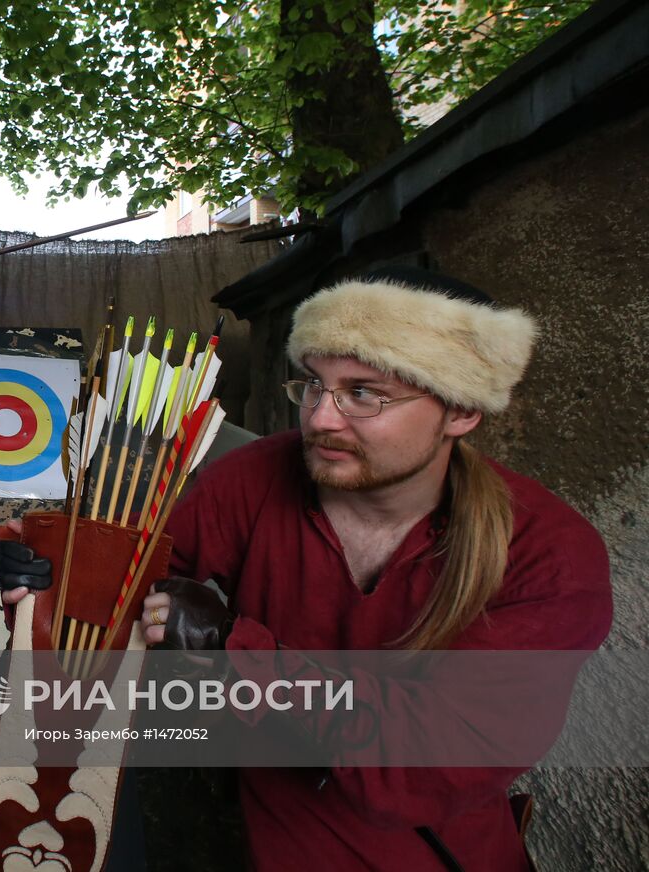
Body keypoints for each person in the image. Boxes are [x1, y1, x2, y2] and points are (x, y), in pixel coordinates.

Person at [141, 268, 613, 870]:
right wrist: (28, 554)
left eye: (365, 393)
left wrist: (237, 652)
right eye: (314, 384)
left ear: (462, 412)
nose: (319, 419)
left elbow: (426, 763)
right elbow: (128, 565)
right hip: (274, 845)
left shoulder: (548, 555)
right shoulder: (256, 479)